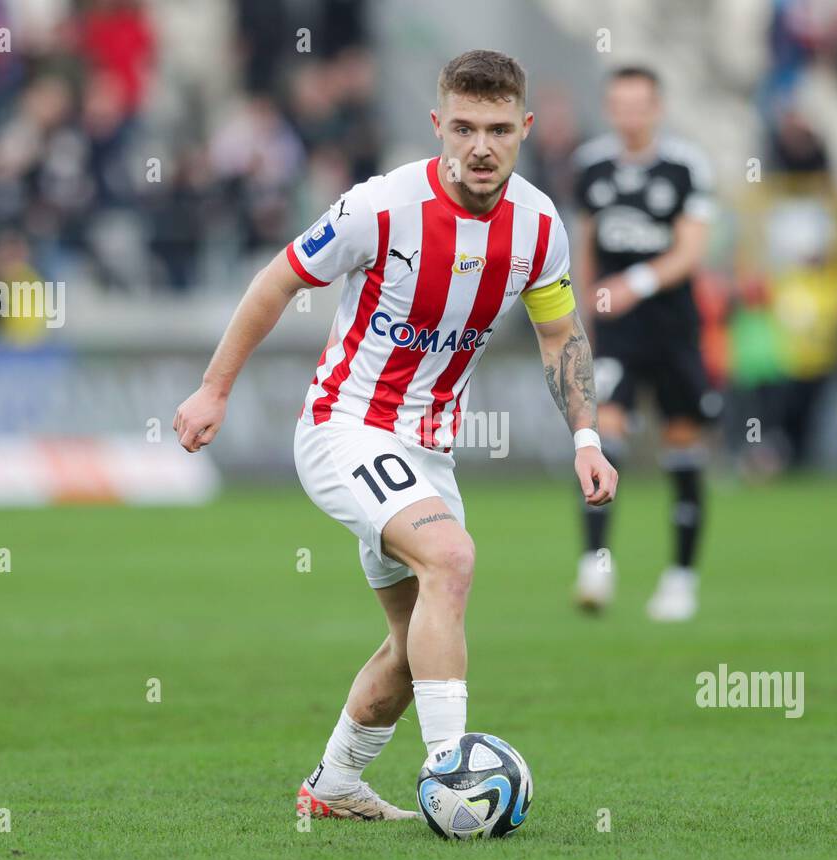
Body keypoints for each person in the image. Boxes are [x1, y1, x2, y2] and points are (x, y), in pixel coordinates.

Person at [174, 50, 616, 820]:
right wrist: (214, 389)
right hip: (345, 427)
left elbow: (559, 338)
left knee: (413, 651)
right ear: (439, 124)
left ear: (525, 130)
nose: (482, 146)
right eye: (466, 127)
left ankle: (335, 784)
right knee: (452, 557)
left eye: (500, 129)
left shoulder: (541, 226)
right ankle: (453, 773)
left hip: (427, 452)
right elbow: (277, 280)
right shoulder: (378, 207)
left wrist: (585, 438)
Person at [571, 66, 715, 621]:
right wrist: (581, 313)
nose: (630, 115)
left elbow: (691, 251)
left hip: (674, 330)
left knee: (682, 449)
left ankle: (681, 578)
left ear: (657, 108)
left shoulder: (685, 167)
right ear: (610, 109)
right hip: (617, 334)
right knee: (605, 436)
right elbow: (585, 244)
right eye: (620, 105)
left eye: (640, 105)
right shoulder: (591, 167)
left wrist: (635, 283)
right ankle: (595, 566)